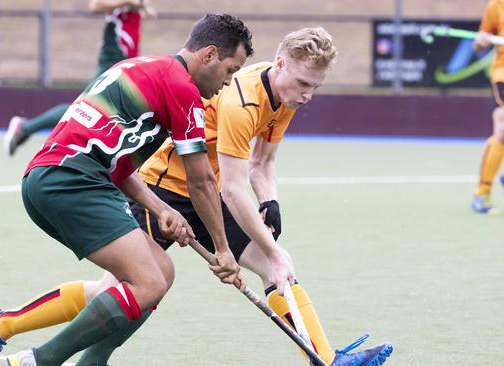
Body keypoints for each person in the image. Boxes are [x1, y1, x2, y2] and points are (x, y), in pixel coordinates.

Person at [82, 27, 392, 366]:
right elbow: (233, 188)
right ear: (280, 65)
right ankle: (13, 324)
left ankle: (326, 358)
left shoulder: (285, 96)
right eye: (303, 84)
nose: (307, 96)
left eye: (314, 87)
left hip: (208, 193)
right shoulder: (242, 101)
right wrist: (272, 251)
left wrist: (269, 202)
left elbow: (262, 163)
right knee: (110, 291)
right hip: (165, 187)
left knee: (277, 273)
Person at [0, 13, 254, 366]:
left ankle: (90, 360)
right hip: (71, 182)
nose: (228, 82)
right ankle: (37, 361)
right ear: (208, 55)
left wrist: (160, 207)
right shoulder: (183, 89)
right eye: (230, 70)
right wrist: (223, 251)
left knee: (162, 272)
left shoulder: (146, 68)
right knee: (148, 282)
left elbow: (118, 166)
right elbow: (202, 180)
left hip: (61, 179)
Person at [2, 0, 155, 156]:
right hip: (114, 53)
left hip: (125, 55)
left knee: (107, 107)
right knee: (85, 106)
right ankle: (25, 127)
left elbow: (138, 12)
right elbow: (96, 5)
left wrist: (142, 8)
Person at [471, 0, 504, 215]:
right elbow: (480, 42)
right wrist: (481, 41)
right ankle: (482, 192)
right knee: (502, 125)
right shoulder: (497, 4)